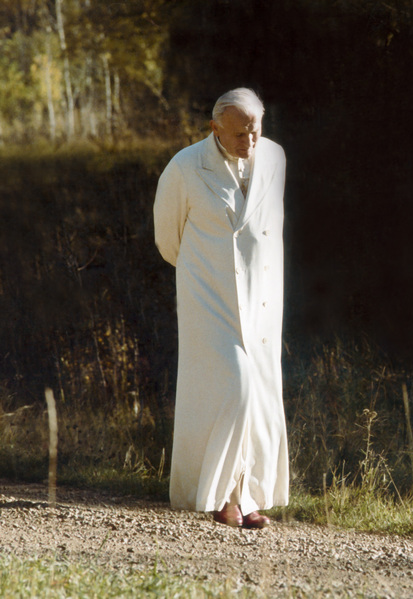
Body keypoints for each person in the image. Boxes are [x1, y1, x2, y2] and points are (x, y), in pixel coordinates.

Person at [153, 88, 288, 528]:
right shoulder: (185, 167)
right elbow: (167, 240)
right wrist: (206, 272)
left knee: (259, 395)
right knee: (234, 386)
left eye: (255, 131)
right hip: (207, 296)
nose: (249, 141)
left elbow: (271, 228)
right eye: (238, 134)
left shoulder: (274, 158)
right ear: (214, 128)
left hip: (262, 297)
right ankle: (216, 495)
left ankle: (245, 498)